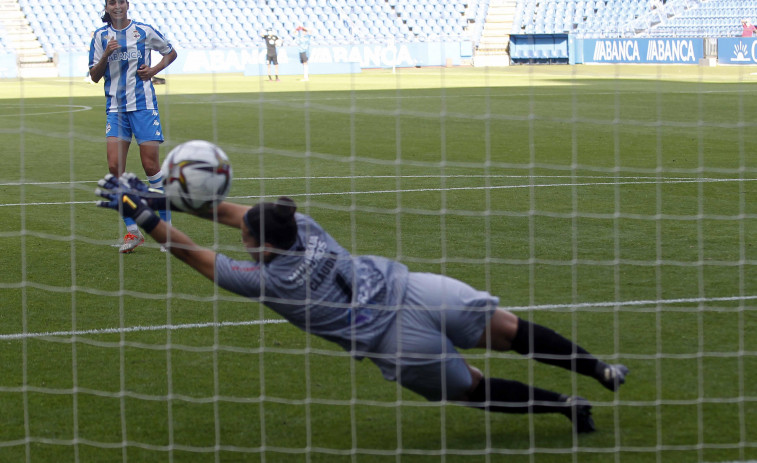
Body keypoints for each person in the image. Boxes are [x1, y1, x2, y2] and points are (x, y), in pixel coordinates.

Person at [95, 173, 630, 433]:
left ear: (263, 247)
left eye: (248, 238)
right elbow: (234, 214)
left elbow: (194, 254)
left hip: (393, 340)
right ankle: (599, 370)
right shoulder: (301, 224)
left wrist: (144, 214)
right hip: (413, 290)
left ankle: (566, 407)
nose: (242, 237)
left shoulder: (267, 282)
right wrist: (162, 197)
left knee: (474, 386)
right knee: (509, 328)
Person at [88, 0, 177, 253]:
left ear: (128, 5)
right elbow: (94, 76)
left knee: (150, 166)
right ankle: (133, 232)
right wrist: (106, 54)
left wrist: (154, 70)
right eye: (111, 3)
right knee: (115, 168)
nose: (116, 6)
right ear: (106, 8)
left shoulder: (144, 31)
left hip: (144, 106)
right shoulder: (100, 36)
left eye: (121, 2)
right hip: (116, 109)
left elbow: (170, 52)